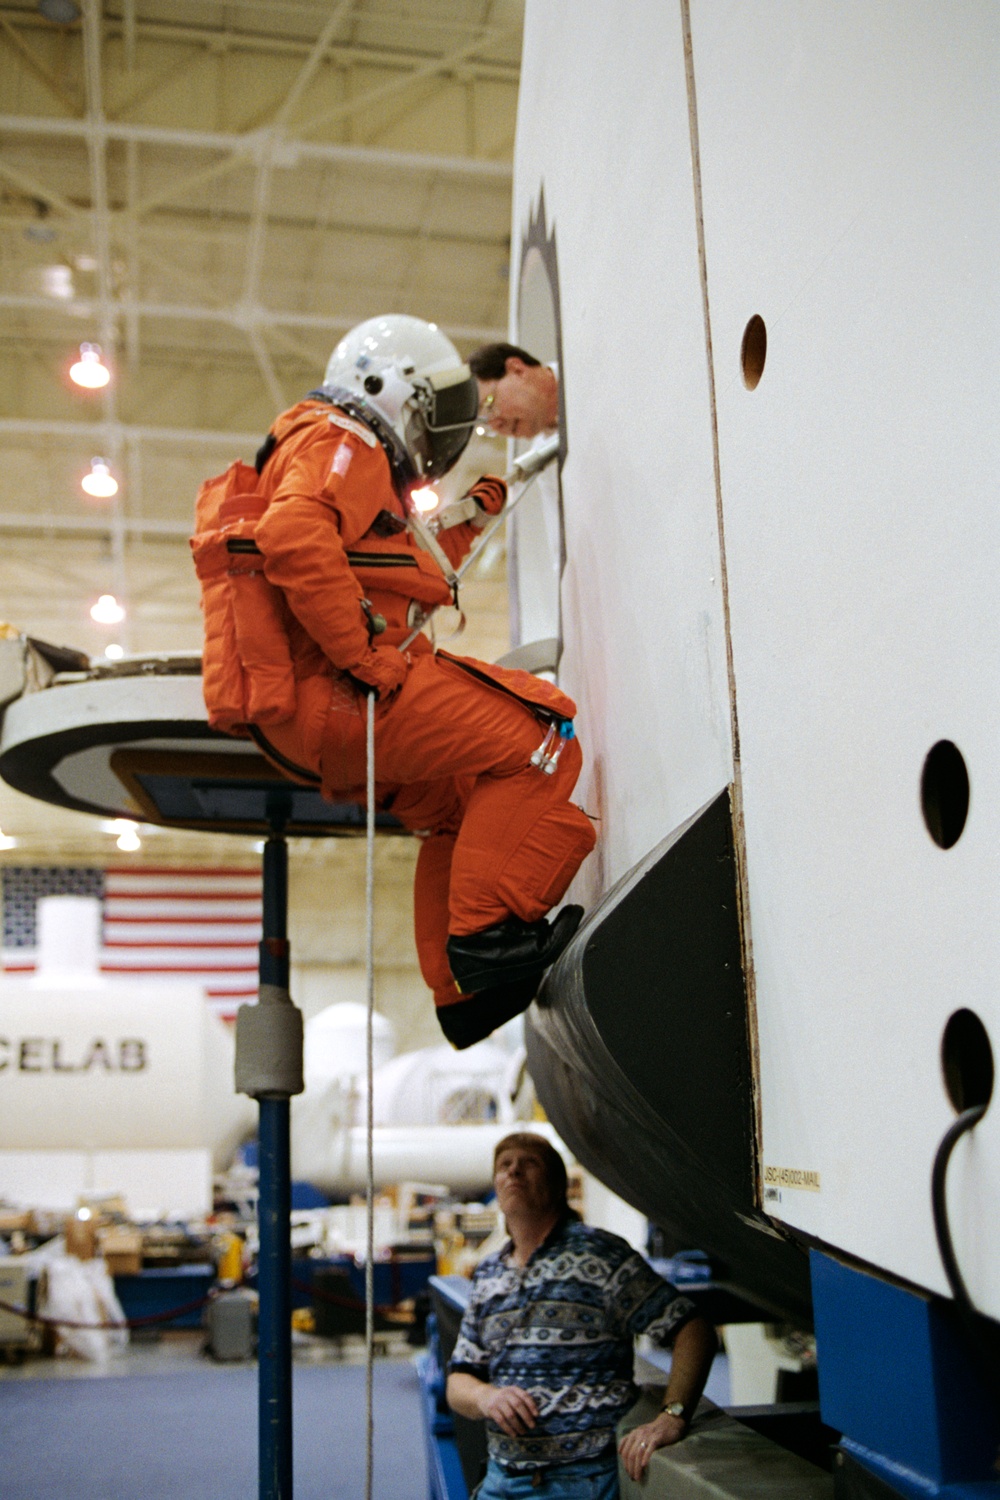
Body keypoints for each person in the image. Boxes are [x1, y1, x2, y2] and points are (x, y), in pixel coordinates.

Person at [192, 315, 596, 1049]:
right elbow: (292, 537)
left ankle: (458, 996)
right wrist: (363, 655)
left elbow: (387, 558)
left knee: (459, 803)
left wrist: (482, 505)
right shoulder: (341, 436)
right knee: (544, 738)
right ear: (394, 390)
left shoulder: (325, 449)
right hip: (344, 695)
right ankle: (487, 943)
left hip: (310, 720)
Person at [446, 1133, 718, 1496]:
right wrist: (486, 1398)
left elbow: (693, 1330)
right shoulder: (488, 1274)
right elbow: (459, 1380)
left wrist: (673, 1416)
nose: (513, 1171)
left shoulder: (599, 1256)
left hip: (582, 1480)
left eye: (528, 1163)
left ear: (558, 1185)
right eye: (504, 1165)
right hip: (502, 1479)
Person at [469, 343, 559, 440]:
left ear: (517, 370)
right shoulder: (544, 451)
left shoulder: (575, 371)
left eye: (489, 406)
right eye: (484, 422)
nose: (496, 426)